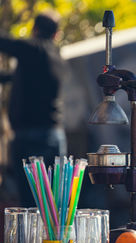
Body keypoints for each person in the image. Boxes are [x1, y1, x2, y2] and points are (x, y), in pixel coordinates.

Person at [0, 12, 67, 207]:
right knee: (53, 204)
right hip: (54, 135)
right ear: (57, 34)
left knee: (30, 204)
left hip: (31, 137)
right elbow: (19, 77)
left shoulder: (32, 48)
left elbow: (5, 42)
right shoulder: (56, 58)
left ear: (34, 29)